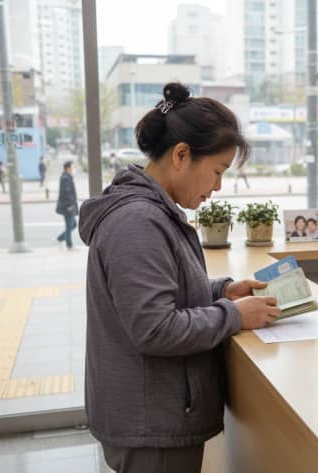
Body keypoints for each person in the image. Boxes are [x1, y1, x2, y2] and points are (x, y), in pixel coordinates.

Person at [78, 82, 280, 473]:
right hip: (151, 423)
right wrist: (235, 315)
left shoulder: (151, 212)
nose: (217, 187)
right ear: (181, 155)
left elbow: (161, 294)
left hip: (152, 414)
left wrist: (223, 291)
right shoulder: (138, 222)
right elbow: (155, 328)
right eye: (217, 171)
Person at [55, 161, 78, 249]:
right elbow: (66, 193)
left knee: (73, 224)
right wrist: (70, 205)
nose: (73, 169)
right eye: (72, 167)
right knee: (69, 226)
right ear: (68, 168)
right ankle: (69, 245)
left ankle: (60, 238)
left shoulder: (67, 177)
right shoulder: (66, 178)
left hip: (69, 205)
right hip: (68, 206)